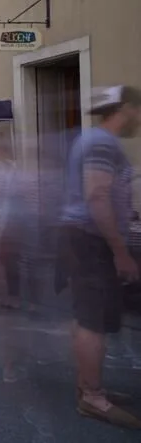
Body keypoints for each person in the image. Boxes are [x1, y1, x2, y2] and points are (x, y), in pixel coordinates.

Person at [60, 85, 141, 429]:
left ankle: (88, 387)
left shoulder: (91, 139)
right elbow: (97, 195)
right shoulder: (103, 143)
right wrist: (121, 252)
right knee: (92, 319)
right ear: (127, 109)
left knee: (87, 316)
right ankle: (93, 397)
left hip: (84, 238)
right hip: (92, 240)